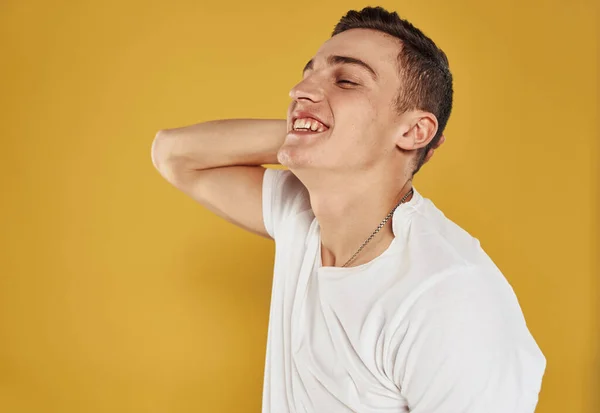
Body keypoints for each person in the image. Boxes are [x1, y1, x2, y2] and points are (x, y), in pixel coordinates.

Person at [151, 6, 546, 413]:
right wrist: (313, 132)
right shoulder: (300, 217)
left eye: (346, 80)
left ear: (413, 131)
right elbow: (173, 154)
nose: (299, 90)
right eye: (309, 73)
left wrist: (324, 132)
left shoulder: (450, 297)